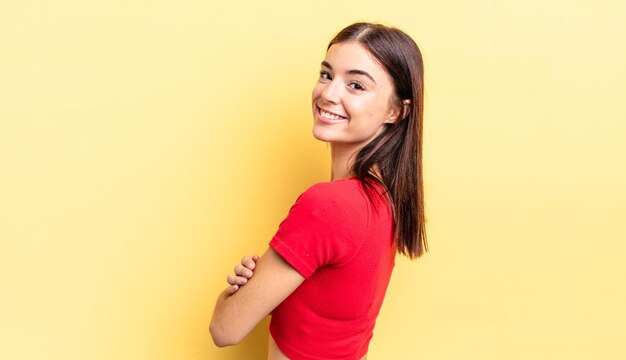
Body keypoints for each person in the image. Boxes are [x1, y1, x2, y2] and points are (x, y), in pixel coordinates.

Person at [209, 22, 427, 359]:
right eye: (326, 75)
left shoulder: (330, 206)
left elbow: (225, 329)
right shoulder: (387, 201)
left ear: (397, 110)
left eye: (355, 85)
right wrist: (266, 290)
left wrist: (233, 298)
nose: (328, 93)